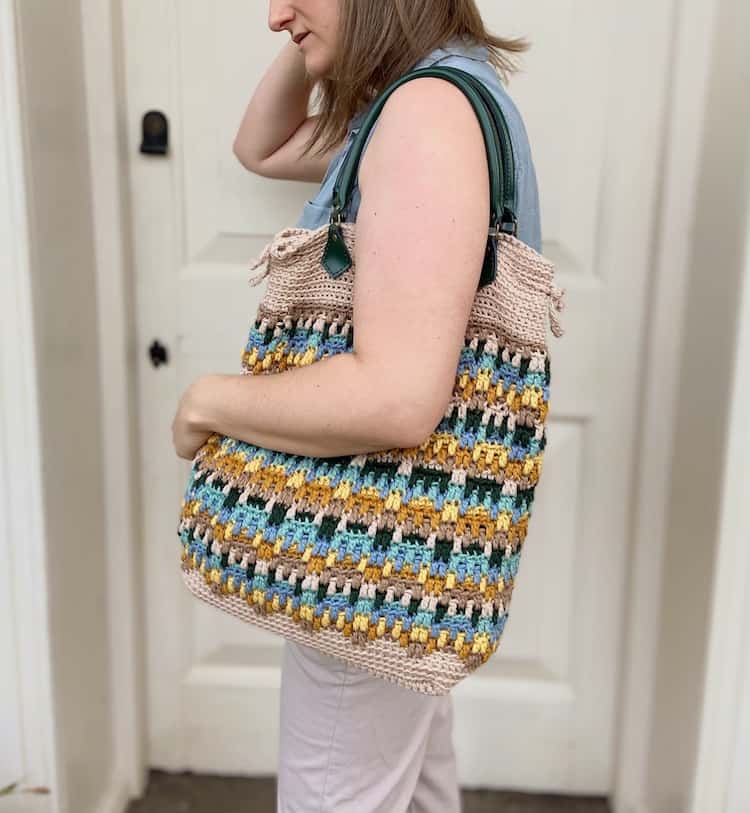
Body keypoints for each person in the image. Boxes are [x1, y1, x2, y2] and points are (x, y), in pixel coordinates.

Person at [229, 2, 543, 811]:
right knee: (416, 785)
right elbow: (258, 147)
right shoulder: (422, 103)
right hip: (401, 550)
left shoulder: (426, 113)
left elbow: (400, 398)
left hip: (363, 550)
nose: (273, 14)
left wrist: (210, 403)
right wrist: (320, 38)